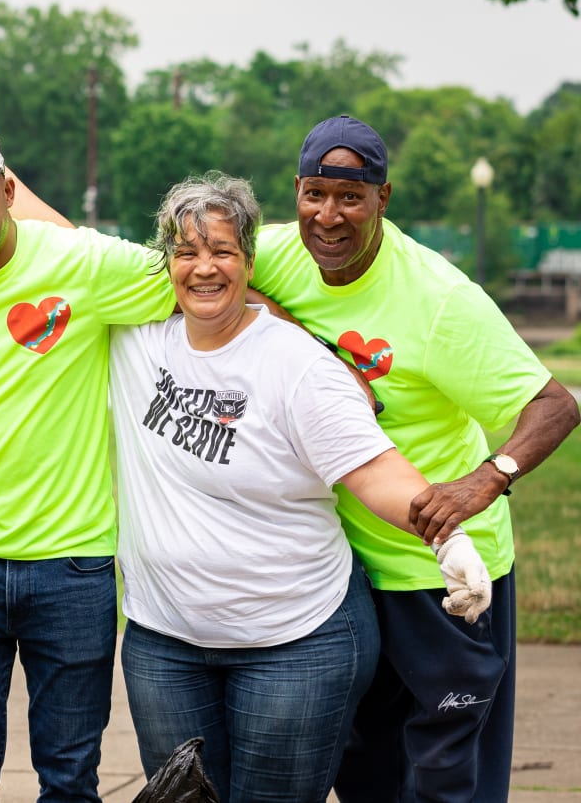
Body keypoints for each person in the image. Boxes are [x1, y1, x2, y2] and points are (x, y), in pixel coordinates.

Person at [109, 171, 492, 802]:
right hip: (164, 643)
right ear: (165, 263)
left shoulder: (299, 364)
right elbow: (57, 240)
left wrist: (449, 543)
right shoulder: (131, 340)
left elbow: (374, 471)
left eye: (223, 252)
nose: (204, 269)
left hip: (296, 644)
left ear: (250, 262)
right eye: (187, 252)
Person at [248, 115, 581, 803]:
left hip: (446, 577)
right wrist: (273, 318)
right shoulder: (273, 254)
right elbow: (181, 265)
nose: (328, 215)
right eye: (315, 194)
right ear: (296, 193)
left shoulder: (439, 300)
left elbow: (554, 404)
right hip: (343, 576)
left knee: (446, 777)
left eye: (350, 197)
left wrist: (487, 479)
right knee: (364, 773)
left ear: (383, 198)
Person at [0, 128, 176, 802]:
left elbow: (196, 274)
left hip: (72, 566)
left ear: (10, 191)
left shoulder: (82, 264)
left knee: (71, 779)